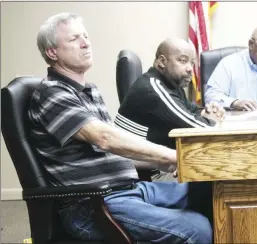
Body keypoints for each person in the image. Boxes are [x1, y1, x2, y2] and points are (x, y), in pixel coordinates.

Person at [29, 13, 213, 243]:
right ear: (52, 52)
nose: (86, 43)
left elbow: (111, 152)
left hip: (128, 190)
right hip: (94, 205)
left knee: (211, 190)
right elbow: (104, 139)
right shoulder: (52, 93)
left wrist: (164, 161)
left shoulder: (90, 91)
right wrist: (173, 156)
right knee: (198, 229)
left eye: (85, 36)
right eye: (74, 39)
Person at [115, 38, 226, 150]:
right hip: (133, 164)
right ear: (162, 62)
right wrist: (212, 119)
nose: (190, 69)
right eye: (183, 61)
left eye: (191, 63)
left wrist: (209, 112)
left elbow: (190, 111)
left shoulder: (172, 85)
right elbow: (199, 129)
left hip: (151, 159)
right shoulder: (154, 89)